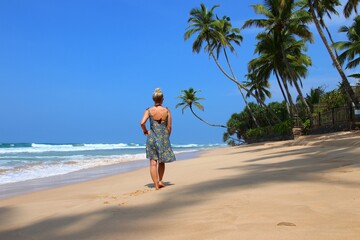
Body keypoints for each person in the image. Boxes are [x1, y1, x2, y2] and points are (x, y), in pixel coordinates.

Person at [140, 88, 176, 190]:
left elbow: (142, 123)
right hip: (163, 138)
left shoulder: (149, 110)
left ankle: (156, 185)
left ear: (153, 99)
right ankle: (160, 180)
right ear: (162, 99)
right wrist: (166, 137)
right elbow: (169, 127)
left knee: (152, 162)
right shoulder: (167, 111)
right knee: (161, 161)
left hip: (151, 138)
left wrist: (145, 131)